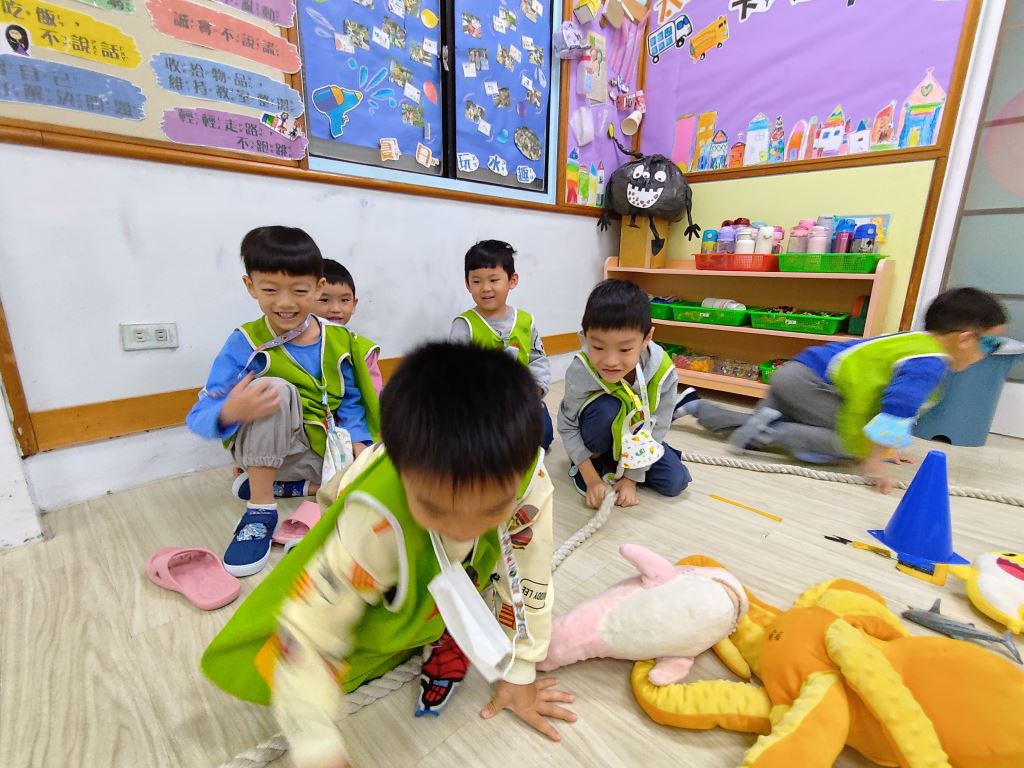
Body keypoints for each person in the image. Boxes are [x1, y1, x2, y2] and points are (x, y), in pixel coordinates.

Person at [201, 343, 575, 768]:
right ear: (401, 471)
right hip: (371, 533)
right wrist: (315, 741)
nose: (463, 528)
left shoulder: (529, 480)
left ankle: (447, 600)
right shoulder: (373, 518)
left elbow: (529, 575)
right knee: (362, 603)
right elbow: (309, 627)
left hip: (423, 526)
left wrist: (521, 670)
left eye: (491, 508)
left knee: (480, 563)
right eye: (438, 509)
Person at [186, 226, 380, 577]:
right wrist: (229, 411)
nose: (286, 303)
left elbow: (352, 400)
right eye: (270, 290)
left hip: (322, 451)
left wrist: (360, 441)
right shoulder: (245, 342)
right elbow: (198, 415)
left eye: (300, 291)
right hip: (276, 448)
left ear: (319, 287)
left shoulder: (340, 339)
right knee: (273, 388)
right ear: (250, 287)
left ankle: (293, 486)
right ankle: (260, 508)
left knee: (384, 475)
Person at [681, 287, 1008, 493]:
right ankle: (768, 430)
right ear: (965, 338)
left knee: (759, 425)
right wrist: (875, 459)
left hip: (797, 376)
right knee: (848, 445)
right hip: (808, 384)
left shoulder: (916, 342)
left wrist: (886, 448)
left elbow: (878, 399)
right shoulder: (930, 361)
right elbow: (897, 408)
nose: (986, 354)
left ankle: (695, 406)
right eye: (990, 344)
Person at [558, 279, 691, 509]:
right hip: (596, 439)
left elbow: (658, 427)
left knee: (675, 482)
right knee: (608, 408)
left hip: (635, 437)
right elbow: (567, 424)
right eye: (598, 347)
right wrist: (591, 479)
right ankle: (593, 461)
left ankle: (619, 464)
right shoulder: (582, 369)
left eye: (625, 349)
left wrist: (631, 479)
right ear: (586, 333)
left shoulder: (663, 371)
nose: (610, 361)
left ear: (647, 337)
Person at [450, 240, 553, 450]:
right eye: (476, 281)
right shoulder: (464, 325)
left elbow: (538, 360)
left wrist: (535, 392)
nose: (485, 288)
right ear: (467, 284)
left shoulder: (525, 321)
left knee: (544, 435)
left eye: (494, 279)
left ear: (512, 280)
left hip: (521, 400)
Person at [317, 258, 383, 395]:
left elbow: (372, 395)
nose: (336, 309)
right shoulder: (298, 345)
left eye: (344, 300)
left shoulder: (364, 351)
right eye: (324, 300)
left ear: (354, 304)